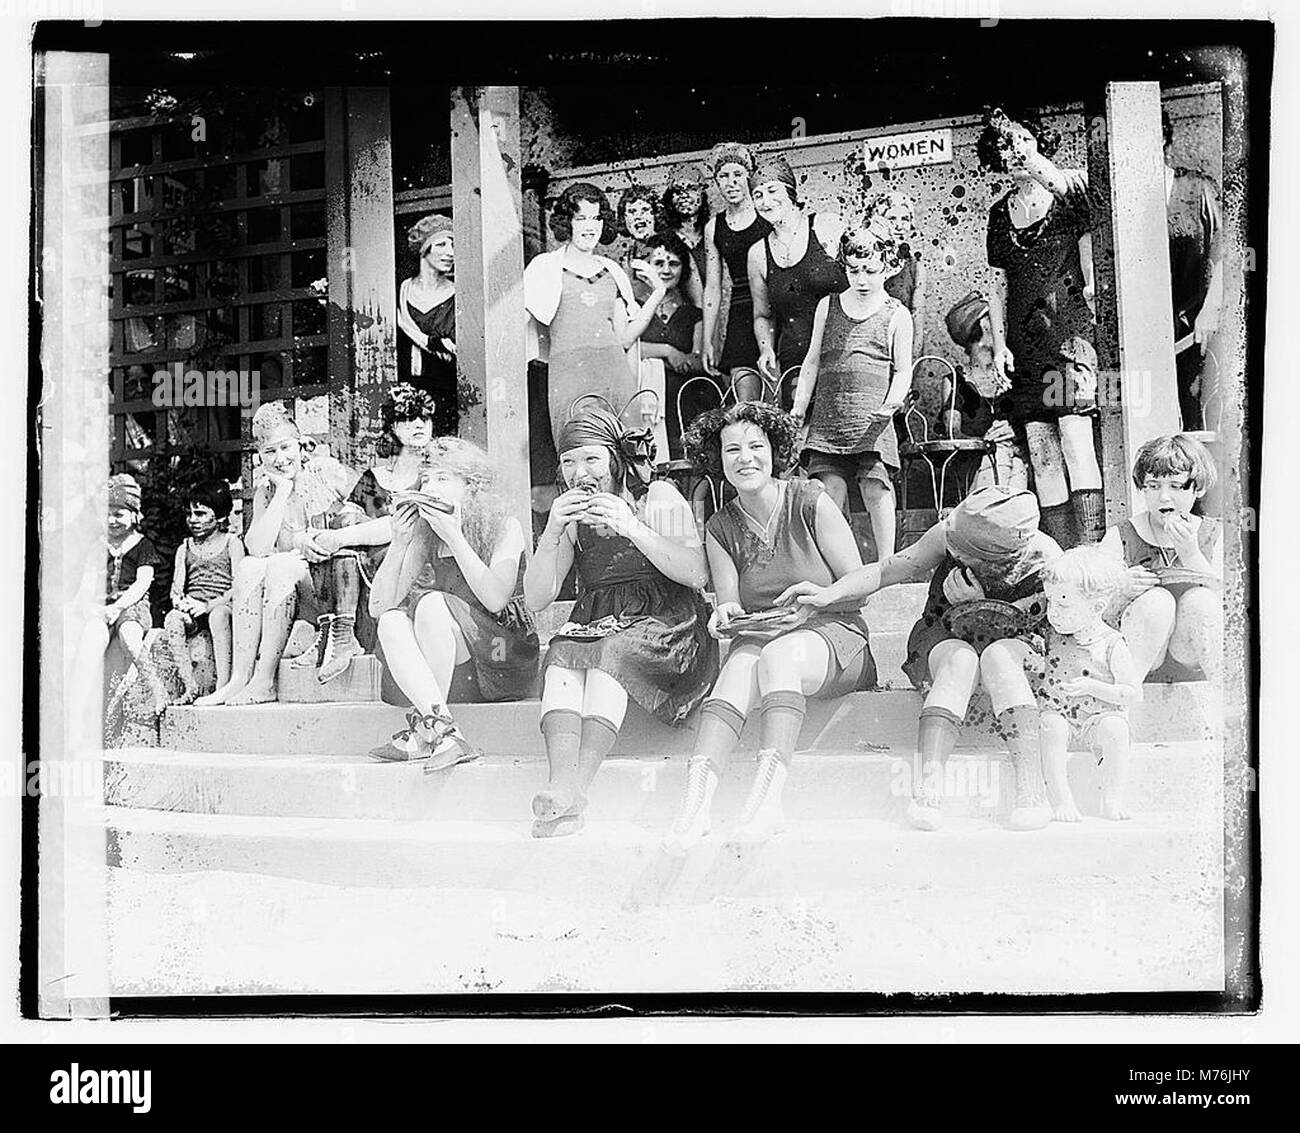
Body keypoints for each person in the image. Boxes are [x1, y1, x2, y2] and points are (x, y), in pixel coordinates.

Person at [779, 485, 1062, 832]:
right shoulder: (950, 532)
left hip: (1014, 644)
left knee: (999, 658)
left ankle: (1031, 790)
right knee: (961, 661)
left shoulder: (1047, 559)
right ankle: (929, 789)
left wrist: (983, 607)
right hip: (945, 632)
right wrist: (830, 593)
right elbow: (887, 570)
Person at [664, 402, 877, 851]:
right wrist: (723, 613)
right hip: (763, 634)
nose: (745, 458)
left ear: (774, 450)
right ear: (717, 460)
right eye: (732, 450)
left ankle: (768, 801)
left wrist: (821, 596)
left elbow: (862, 581)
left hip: (833, 635)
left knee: (777, 656)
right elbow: (730, 603)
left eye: (755, 446)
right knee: (739, 667)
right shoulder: (721, 526)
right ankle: (695, 803)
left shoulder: (810, 499)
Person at [524, 410, 717, 838]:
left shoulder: (657, 497)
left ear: (614, 459)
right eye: (569, 462)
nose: (579, 473)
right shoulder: (571, 518)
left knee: (609, 654)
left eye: (590, 459)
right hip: (599, 619)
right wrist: (553, 529)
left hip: (666, 620)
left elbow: (695, 573)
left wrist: (631, 526)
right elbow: (538, 598)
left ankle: (577, 785)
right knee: (560, 656)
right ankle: (560, 785)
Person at [367, 437, 539, 766]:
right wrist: (400, 543)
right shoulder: (424, 533)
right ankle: (445, 733)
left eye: (442, 479)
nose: (430, 487)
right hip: (446, 671)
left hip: (499, 654)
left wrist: (455, 537)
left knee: (431, 604)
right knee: (392, 619)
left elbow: (495, 600)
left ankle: (425, 732)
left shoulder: (505, 526)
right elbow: (379, 607)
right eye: (427, 479)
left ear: (471, 486)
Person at [980, 108, 1104, 548]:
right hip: (1024, 343)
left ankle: (1091, 552)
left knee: (1074, 437)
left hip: (1068, 339)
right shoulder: (998, 215)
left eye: (1022, 143)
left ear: (1039, 146)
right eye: (1004, 147)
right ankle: (1065, 556)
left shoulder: (1068, 197)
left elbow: (1092, 268)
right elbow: (997, 285)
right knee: (1042, 451)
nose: (1013, 153)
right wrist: (998, 347)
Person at [197, 402, 365, 705]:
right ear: (260, 457)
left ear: (301, 445)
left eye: (286, 447)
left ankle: (264, 680)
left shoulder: (325, 472)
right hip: (291, 595)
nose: (280, 458)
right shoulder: (267, 491)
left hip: (334, 590)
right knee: (249, 566)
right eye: (270, 452)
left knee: (279, 566)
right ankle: (240, 679)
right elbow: (256, 548)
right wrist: (283, 491)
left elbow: (365, 512)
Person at [791, 216, 913, 560]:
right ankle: (840, 562)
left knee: (875, 487)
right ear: (844, 266)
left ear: (887, 268)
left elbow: (903, 370)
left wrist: (891, 404)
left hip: (873, 420)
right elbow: (812, 360)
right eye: (854, 270)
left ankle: (887, 560)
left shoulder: (896, 314)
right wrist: (800, 406)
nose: (862, 279)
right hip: (830, 419)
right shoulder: (827, 307)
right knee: (830, 490)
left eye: (871, 270)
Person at [524, 183, 669, 445]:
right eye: (581, 218)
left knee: (627, 453)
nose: (590, 226)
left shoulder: (611, 270)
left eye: (596, 218)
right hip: (569, 375)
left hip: (615, 375)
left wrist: (658, 292)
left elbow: (624, 338)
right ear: (567, 222)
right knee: (578, 448)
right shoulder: (545, 268)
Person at [1100, 433, 1221, 685]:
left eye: (1175, 486)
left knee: (1201, 601)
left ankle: (1229, 704)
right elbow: (1093, 618)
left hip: (1192, 656)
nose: (1164, 497)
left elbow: (1235, 609)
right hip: (1140, 660)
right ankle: (1125, 698)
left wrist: (1191, 554)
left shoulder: (1213, 534)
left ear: (1197, 489)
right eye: (1153, 486)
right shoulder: (1121, 536)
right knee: (1156, 602)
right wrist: (1120, 593)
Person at [1037, 547, 1141, 823]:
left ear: (1097, 607)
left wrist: (1093, 687)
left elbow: (1132, 694)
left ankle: (1112, 797)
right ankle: (1061, 799)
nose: (1053, 613)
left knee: (1116, 728)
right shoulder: (1051, 637)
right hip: (1061, 716)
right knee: (1050, 725)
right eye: (1050, 602)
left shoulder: (1111, 644)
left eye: (1063, 604)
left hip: (1099, 718)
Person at [748, 153, 848, 410]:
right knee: (800, 434)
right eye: (758, 195)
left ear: (790, 192)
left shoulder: (826, 226)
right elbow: (762, 315)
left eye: (772, 190)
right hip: (796, 358)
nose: (765, 200)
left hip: (844, 350)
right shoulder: (758, 254)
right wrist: (766, 349)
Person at [1163, 110, 1224, 432]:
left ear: (1162, 139)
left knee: (1196, 419)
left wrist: (1211, 309)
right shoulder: (1123, 201)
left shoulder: (1195, 188)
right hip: (1150, 338)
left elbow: (1225, 252)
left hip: (1196, 330)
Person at [89, 473, 169, 716]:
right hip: (102, 606)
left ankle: (157, 688)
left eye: (119, 514)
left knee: (130, 638)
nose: (112, 521)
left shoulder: (142, 545)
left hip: (132, 607)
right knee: (92, 641)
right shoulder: (97, 545)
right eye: (106, 514)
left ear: (134, 515)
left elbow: (142, 583)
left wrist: (119, 607)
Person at [163, 479, 245, 703]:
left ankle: (224, 684)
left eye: (200, 514)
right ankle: (189, 685)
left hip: (222, 607)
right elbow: (176, 590)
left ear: (219, 516)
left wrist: (209, 606)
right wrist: (181, 604)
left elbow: (238, 586)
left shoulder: (232, 543)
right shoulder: (186, 547)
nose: (193, 520)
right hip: (194, 612)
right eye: (189, 514)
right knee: (172, 618)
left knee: (218, 616)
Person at [702, 141, 772, 402]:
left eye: (738, 175)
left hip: (771, 306)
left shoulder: (767, 214)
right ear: (716, 182)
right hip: (741, 311)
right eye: (723, 176)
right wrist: (708, 340)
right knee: (747, 401)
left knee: (778, 397)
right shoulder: (714, 227)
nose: (731, 183)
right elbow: (713, 287)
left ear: (749, 177)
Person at [637, 231, 706, 457]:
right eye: (658, 263)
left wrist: (657, 357)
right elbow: (626, 347)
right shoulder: (635, 307)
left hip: (687, 397)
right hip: (649, 398)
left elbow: (698, 359)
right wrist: (668, 352)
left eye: (674, 264)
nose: (666, 270)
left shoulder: (693, 314)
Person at [396, 214, 459, 437]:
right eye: (441, 244)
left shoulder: (457, 295)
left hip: (446, 392)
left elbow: (455, 348)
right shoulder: (401, 292)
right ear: (424, 249)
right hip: (404, 389)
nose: (450, 252)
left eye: (453, 244)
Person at [866, 191, 928, 357]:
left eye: (905, 219)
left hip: (898, 354)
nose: (899, 226)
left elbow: (917, 325)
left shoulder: (915, 268)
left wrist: (910, 367)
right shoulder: (862, 262)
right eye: (892, 219)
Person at [659, 161, 711, 304]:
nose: (683, 195)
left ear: (702, 194)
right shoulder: (665, 241)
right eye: (676, 191)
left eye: (691, 188)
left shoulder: (713, 234)